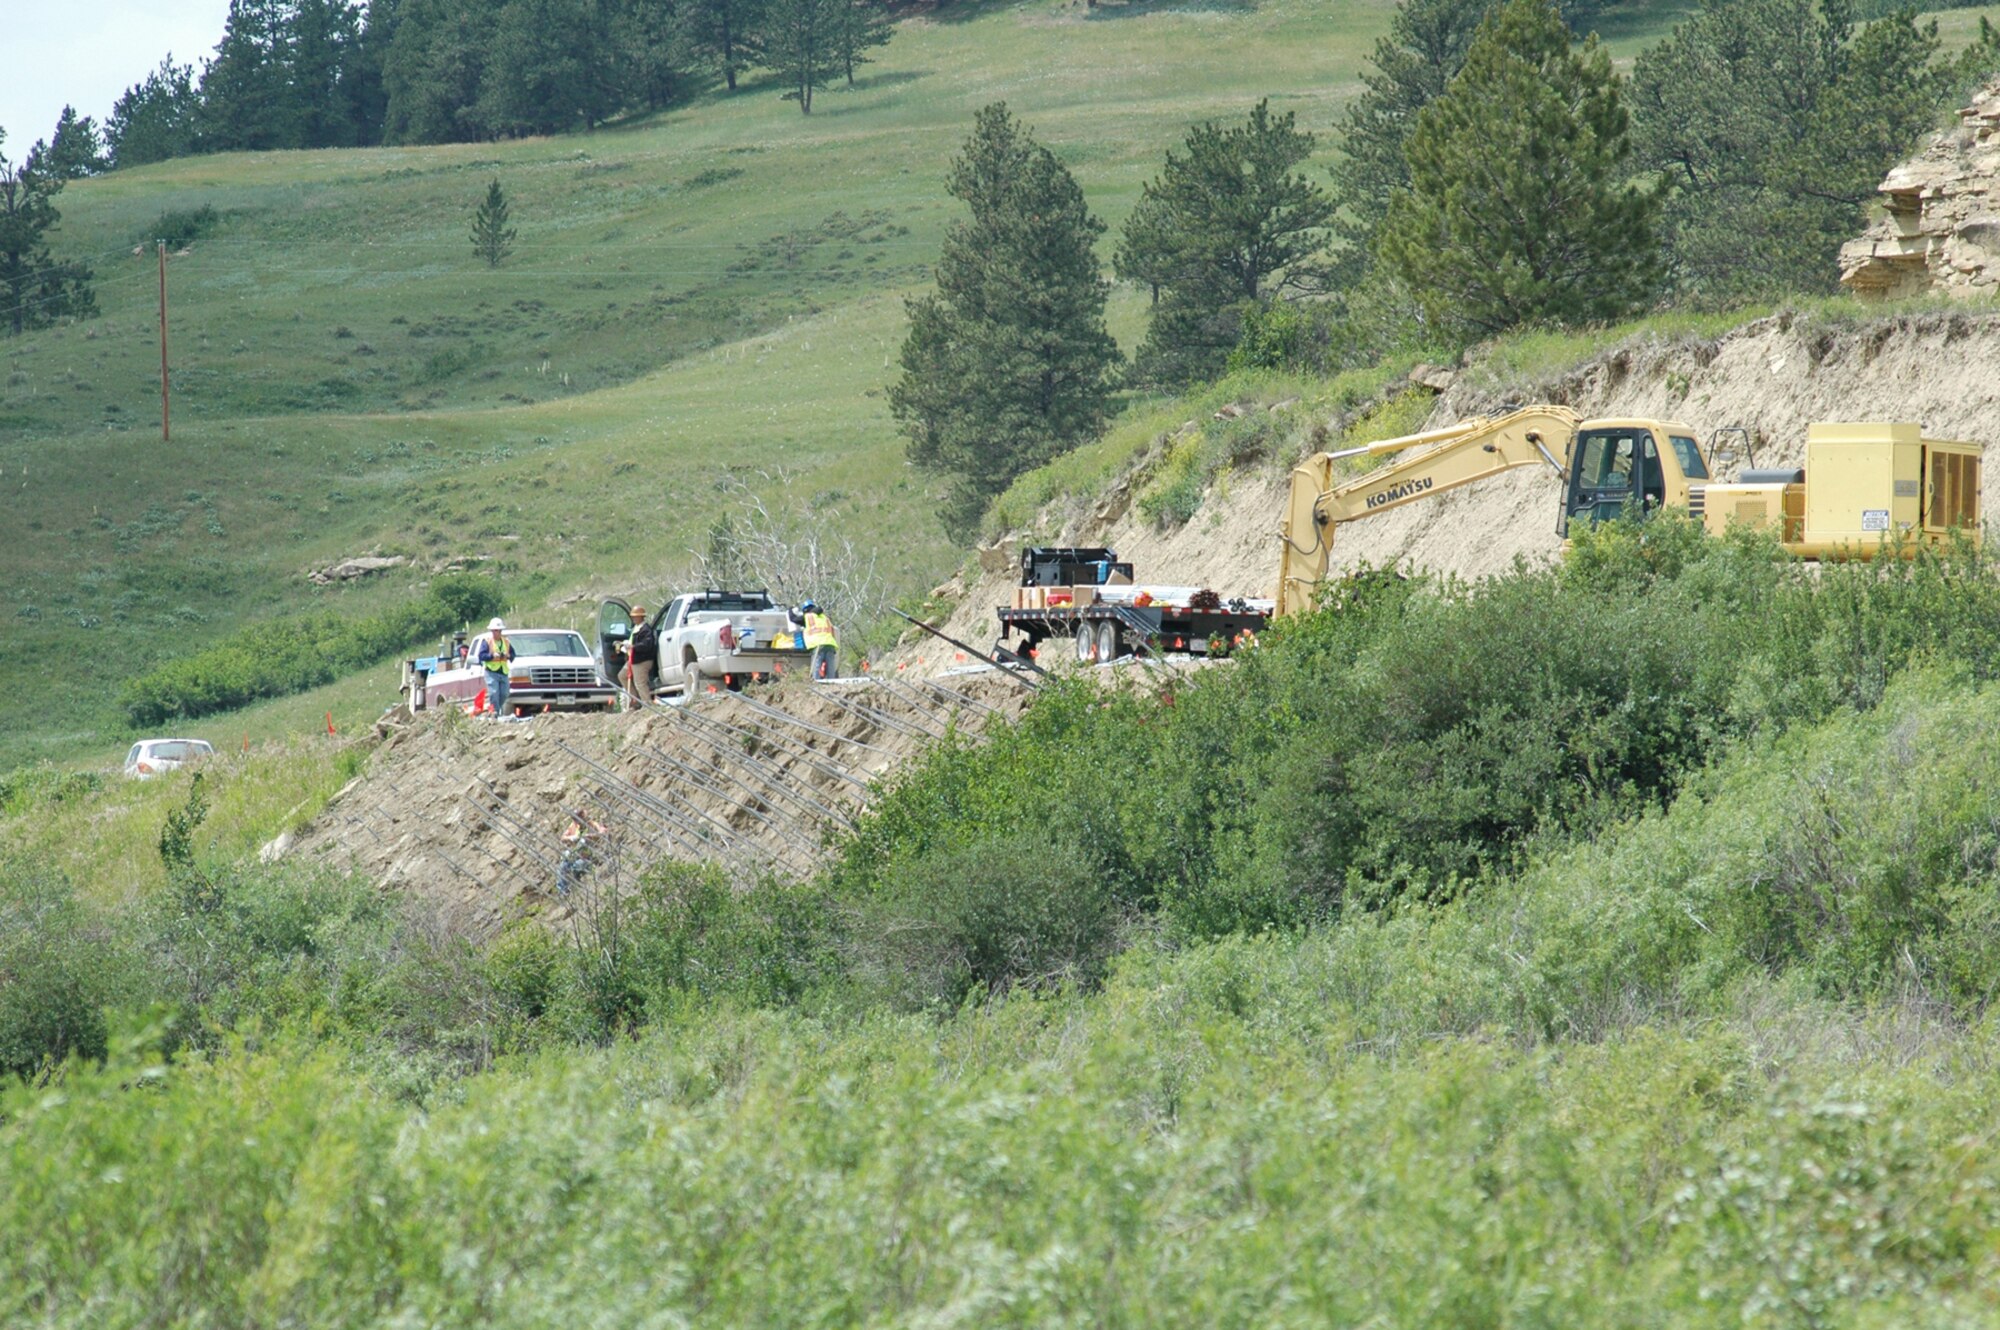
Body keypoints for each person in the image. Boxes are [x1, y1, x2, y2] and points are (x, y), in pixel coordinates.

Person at [474, 617, 515, 717]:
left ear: (500, 631)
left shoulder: (506, 642)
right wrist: (492, 656)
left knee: (504, 693)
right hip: (491, 672)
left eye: (496, 630)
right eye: (493, 630)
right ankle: (495, 713)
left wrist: (508, 656)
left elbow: (513, 655)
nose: (494, 632)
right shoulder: (487, 642)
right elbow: (481, 656)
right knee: (494, 693)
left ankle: (495, 710)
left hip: (503, 672)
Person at [622, 605, 657, 709]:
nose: (633, 618)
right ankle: (635, 700)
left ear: (641, 617)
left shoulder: (646, 630)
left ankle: (648, 705)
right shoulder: (635, 629)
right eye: (632, 616)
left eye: (635, 616)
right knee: (622, 675)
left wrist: (633, 646)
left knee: (640, 683)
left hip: (642, 660)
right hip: (633, 659)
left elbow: (646, 645)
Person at [801, 599, 838, 680]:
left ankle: (816, 683)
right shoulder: (825, 617)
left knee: (816, 666)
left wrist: (789, 611)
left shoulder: (807, 617)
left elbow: (794, 619)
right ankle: (832, 684)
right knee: (831, 668)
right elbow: (833, 630)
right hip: (830, 644)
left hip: (818, 644)